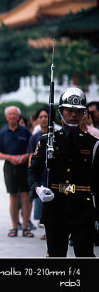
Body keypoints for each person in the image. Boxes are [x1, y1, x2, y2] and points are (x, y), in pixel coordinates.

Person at [28, 87, 99, 257]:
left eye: (78, 111)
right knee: (55, 256)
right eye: (69, 110)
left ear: (84, 114)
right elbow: (33, 171)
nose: (73, 114)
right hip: (55, 206)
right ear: (60, 113)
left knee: (84, 255)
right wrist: (38, 188)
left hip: (83, 208)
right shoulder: (47, 140)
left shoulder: (93, 144)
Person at [0, 106, 33, 238]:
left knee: (25, 197)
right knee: (13, 197)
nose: (12, 116)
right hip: (10, 167)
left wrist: (24, 157)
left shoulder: (26, 132)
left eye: (14, 114)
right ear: (6, 117)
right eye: (10, 114)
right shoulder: (2, 133)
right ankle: (14, 227)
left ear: (18, 116)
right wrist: (9, 158)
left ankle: (26, 227)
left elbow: (32, 150)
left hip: (24, 167)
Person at [27, 106, 50, 239]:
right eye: (40, 117)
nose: (43, 119)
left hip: (52, 174)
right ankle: (46, 229)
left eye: (45, 117)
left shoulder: (56, 135)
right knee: (42, 203)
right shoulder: (35, 137)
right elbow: (31, 156)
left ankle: (50, 230)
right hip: (40, 175)